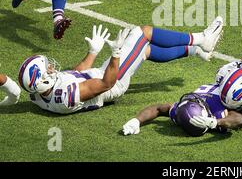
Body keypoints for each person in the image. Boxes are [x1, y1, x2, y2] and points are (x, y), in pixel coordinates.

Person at [17, 17, 223, 114]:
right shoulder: (67, 95)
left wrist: (93, 51)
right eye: (48, 69)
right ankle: (200, 39)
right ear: (43, 79)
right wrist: (115, 54)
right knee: (142, 33)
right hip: (112, 83)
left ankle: (196, 51)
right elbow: (107, 83)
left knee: (144, 51)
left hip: (96, 76)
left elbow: (75, 74)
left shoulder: (38, 93)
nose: (52, 68)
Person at [122, 82, 242, 137]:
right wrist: (136, 121)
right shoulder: (181, 112)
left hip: (226, 88)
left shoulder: (216, 108)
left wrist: (216, 122)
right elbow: (158, 109)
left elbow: (240, 118)